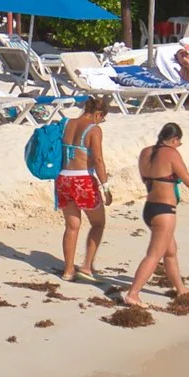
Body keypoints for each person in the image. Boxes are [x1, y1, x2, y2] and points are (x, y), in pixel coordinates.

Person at [128, 122, 189, 307]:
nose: (179, 146)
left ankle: (181, 289)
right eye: (179, 142)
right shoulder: (171, 153)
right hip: (165, 211)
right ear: (174, 139)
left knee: (170, 251)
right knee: (154, 255)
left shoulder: (146, 152)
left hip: (150, 208)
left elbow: (148, 177)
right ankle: (133, 293)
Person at [55, 95, 113, 281]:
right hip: (83, 180)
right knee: (98, 223)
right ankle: (87, 267)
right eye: (102, 118)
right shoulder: (94, 130)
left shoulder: (67, 124)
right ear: (97, 114)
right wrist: (105, 186)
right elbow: (97, 160)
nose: (101, 121)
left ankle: (68, 270)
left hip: (63, 179)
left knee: (72, 226)